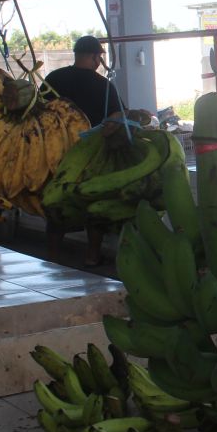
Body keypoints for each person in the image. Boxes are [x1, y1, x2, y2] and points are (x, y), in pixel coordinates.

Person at [41, 35, 125, 266]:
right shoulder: (103, 85)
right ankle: (92, 256)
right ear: (94, 57)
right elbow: (117, 116)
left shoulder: (53, 78)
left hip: (56, 153)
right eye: (99, 57)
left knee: (56, 203)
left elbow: (37, 113)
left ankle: (53, 256)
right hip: (92, 155)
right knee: (93, 205)